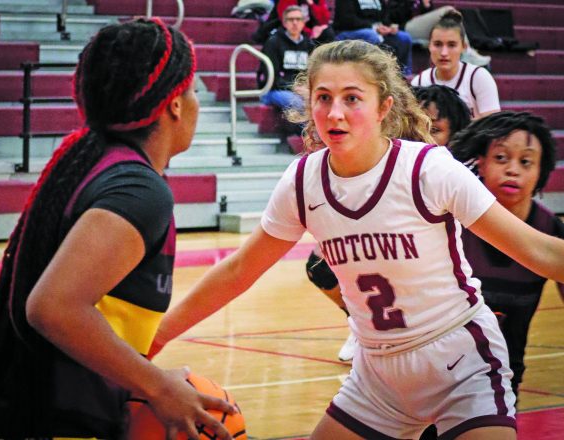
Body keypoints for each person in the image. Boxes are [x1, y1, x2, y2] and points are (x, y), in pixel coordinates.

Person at [150, 39, 564, 439]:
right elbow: (239, 271)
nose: (335, 113)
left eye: (352, 98)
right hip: (377, 376)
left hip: (460, 360)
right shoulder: (303, 181)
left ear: (384, 106)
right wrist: (160, 335)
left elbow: (540, 250)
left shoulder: (427, 169)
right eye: (323, 97)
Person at [0, 18, 237, 440]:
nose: (197, 101)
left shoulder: (93, 161)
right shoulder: (139, 189)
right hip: (55, 420)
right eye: (194, 89)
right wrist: (156, 384)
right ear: (176, 105)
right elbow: (53, 307)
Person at [307, 83, 472, 365]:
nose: (421, 134)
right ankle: (360, 322)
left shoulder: (452, 175)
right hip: (390, 320)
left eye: (434, 130)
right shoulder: (391, 162)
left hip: (448, 322)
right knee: (319, 266)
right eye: (416, 125)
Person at [450, 111, 564, 401]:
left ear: (541, 171)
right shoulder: (452, 223)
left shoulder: (551, 231)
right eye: (501, 158)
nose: (513, 169)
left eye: (525, 162)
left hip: (506, 378)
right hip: (442, 376)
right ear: (482, 163)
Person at [411, 10, 500, 119]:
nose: (444, 53)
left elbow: (494, 127)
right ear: (429, 46)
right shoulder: (419, 82)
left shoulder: (479, 77)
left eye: (451, 45)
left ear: (464, 47)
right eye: (437, 44)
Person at [387, 0, 491, 66]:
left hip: (418, 27)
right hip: (402, 27)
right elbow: (392, 14)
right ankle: (466, 52)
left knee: (451, 16)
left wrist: (426, 4)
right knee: (448, 10)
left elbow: (427, 16)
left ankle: (465, 50)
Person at [333, 0, 413, 75]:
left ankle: (404, 75)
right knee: (371, 35)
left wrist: (389, 27)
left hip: (375, 30)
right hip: (348, 31)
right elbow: (347, 20)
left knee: (404, 37)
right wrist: (374, 27)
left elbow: (384, 17)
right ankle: (374, 73)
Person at [259, 6, 314, 111]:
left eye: (298, 19)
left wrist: (307, 89)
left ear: (304, 22)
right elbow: (271, 78)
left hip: (301, 90)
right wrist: (295, 88)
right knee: (300, 104)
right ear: (284, 23)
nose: (295, 22)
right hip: (273, 91)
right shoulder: (273, 43)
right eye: (290, 19)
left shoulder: (309, 45)